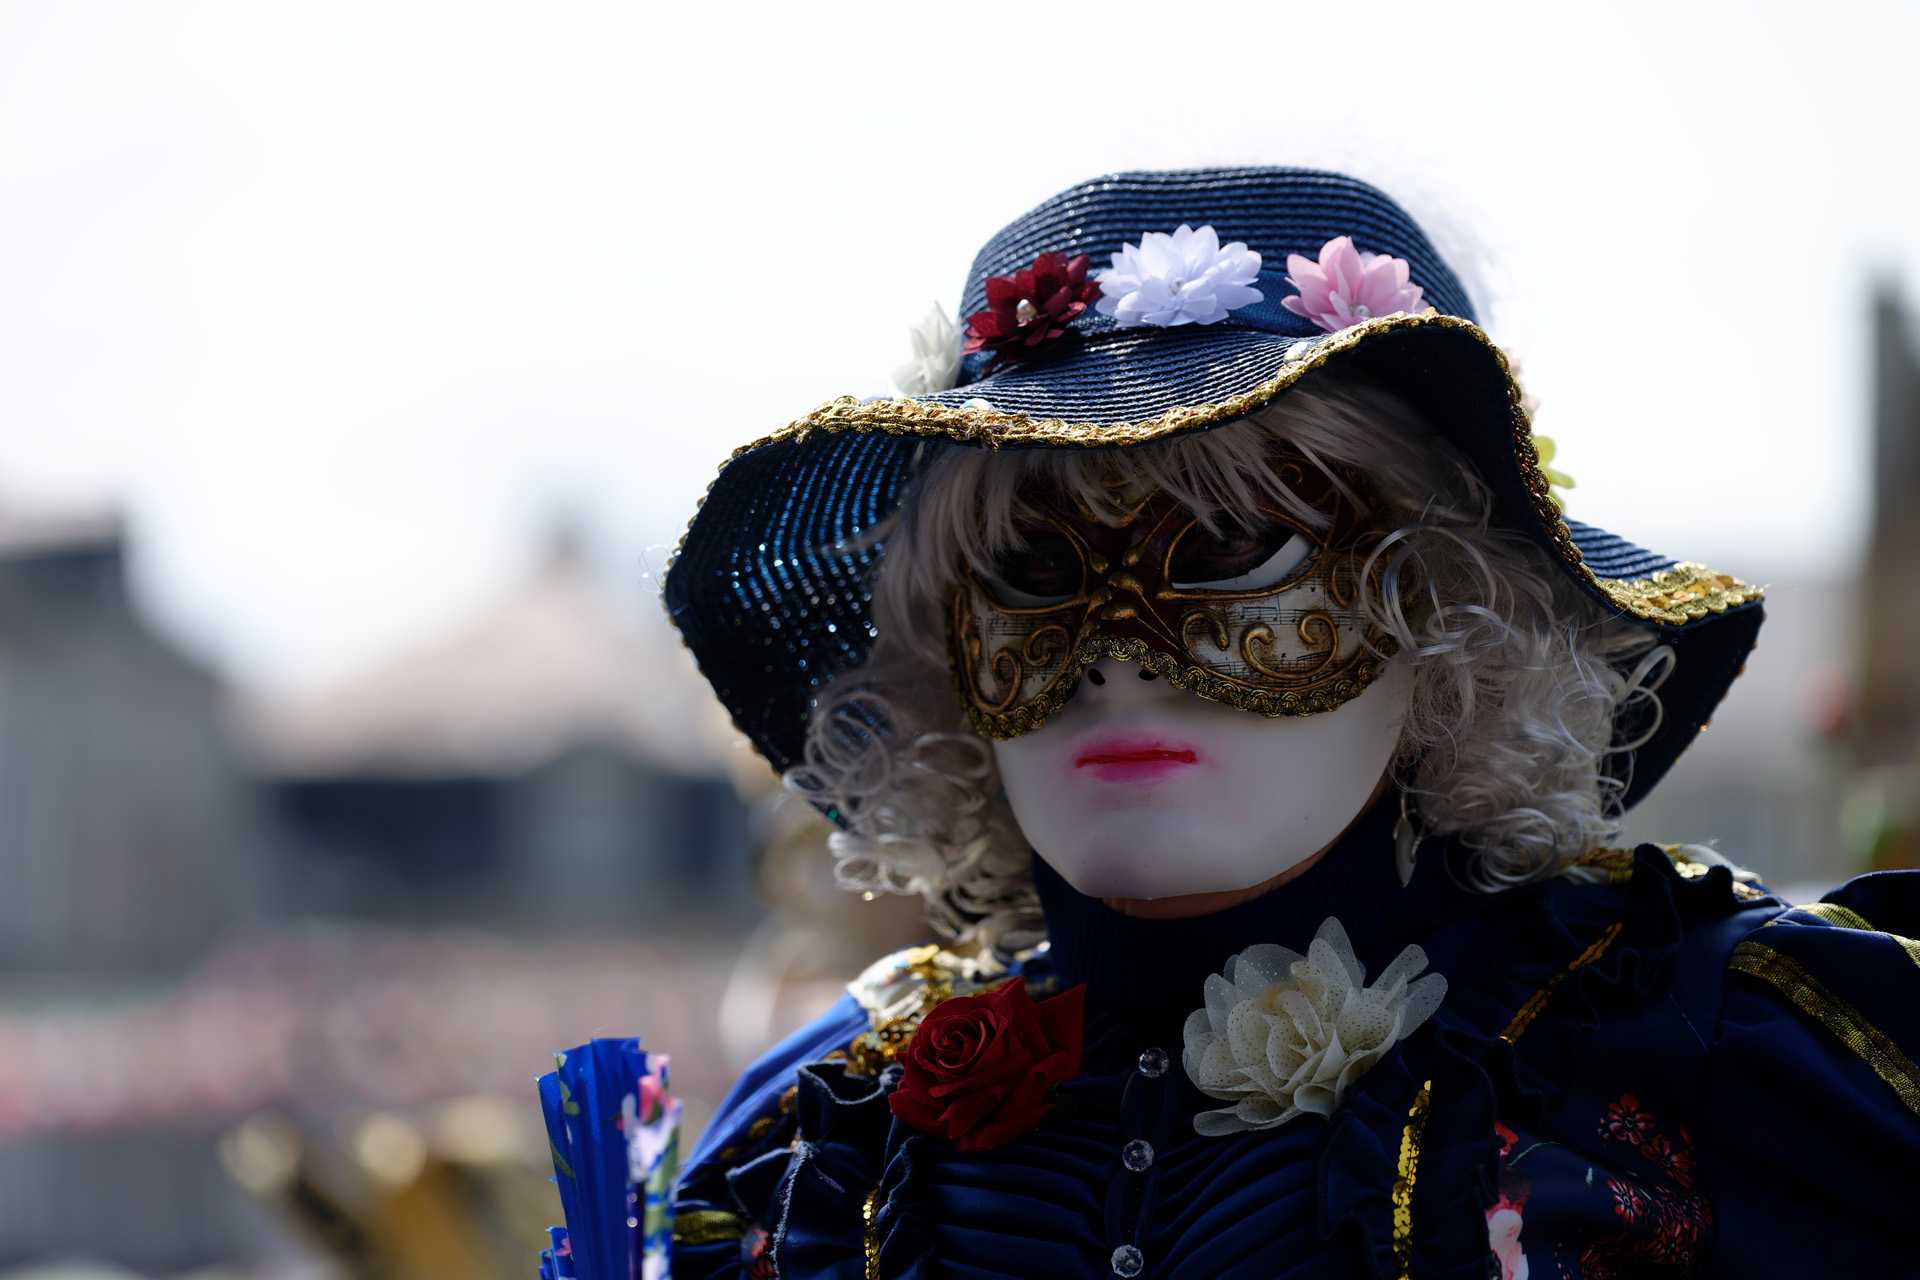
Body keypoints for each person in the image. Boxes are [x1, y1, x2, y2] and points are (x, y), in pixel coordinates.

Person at [555, 167, 1920, 1277]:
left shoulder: (1706, 1053)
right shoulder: (823, 1137)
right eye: (1029, 572)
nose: (1114, 660)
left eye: (1225, 549)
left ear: (1443, 612)